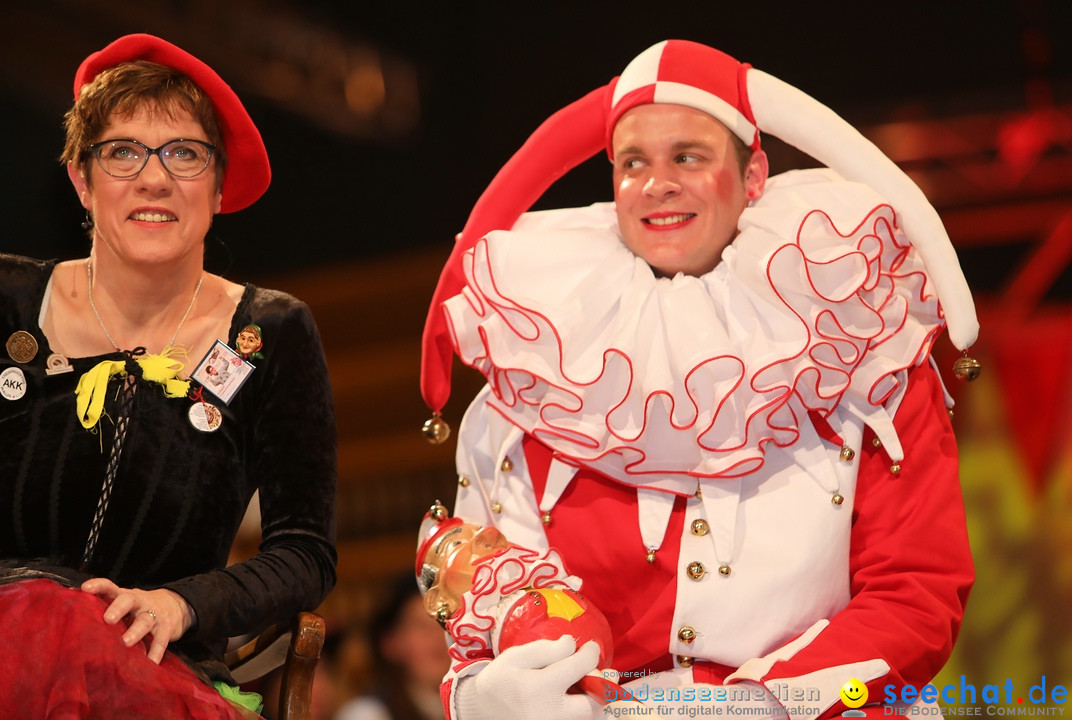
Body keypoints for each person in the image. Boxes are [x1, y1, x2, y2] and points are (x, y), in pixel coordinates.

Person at [417, 40, 978, 720]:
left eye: (688, 156)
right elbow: (493, 613)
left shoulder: (862, 351)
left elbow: (917, 595)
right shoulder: (534, 373)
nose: (657, 184)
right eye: (633, 163)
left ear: (756, 175)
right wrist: (485, 699)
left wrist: (772, 705)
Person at [0, 34, 336, 719]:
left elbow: (305, 554)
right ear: (81, 181)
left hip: (158, 670)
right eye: (123, 152)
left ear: (217, 186)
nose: (155, 178)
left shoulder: (272, 333)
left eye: (184, 153)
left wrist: (184, 605)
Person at [335, 572, 450, 720]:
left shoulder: (476, 706)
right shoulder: (367, 714)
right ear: (390, 643)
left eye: (444, 625)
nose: (438, 638)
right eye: (422, 627)